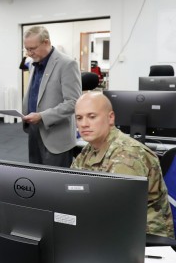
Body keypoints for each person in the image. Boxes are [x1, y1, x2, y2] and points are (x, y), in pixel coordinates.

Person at [72, 92, 174, 238]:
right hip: (109, 228)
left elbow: (117, 212)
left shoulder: (127, 155)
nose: (84, 124)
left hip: (144, 238)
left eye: (92, 116)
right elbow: (71, 188)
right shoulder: (90, 148)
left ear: (110, 118)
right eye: (79, 118)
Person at [22, 26, 81, 167]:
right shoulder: (33, 64)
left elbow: (74, 102)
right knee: (36, 178)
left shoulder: (67, 64)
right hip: (35, 131)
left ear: (46, 42)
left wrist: (42, 116)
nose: (29, 53)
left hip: (56, 136)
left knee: (55, 183)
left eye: (32, 48)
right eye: (26, 49)